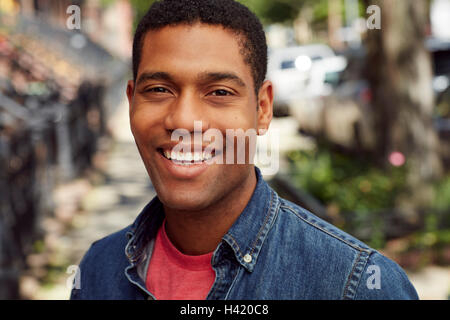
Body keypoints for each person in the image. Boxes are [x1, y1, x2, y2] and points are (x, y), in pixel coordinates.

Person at [71, 0, 418, 300]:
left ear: (263, 109)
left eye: (219, 92)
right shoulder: (100, 269)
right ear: (131, 102)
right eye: (160, 89)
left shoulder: (354, 284)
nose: (184, 120)